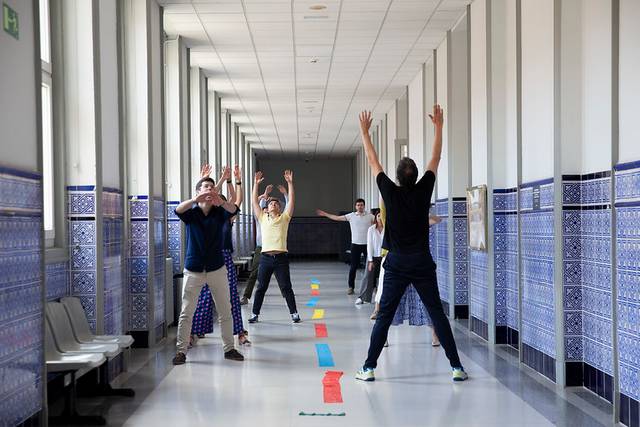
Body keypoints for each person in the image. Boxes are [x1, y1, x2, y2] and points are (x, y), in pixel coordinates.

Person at [355, 105, 468, 382]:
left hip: (396, 263)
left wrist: (365, 133)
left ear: (396, 177)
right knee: (437, 315)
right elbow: (436, 156)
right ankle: (456, 367)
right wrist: (439, 126)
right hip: (421, 262)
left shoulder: (390, 192)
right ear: (416, 176)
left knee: (384, 316)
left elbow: (372, 161)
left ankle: (369, 368)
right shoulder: (424, 189)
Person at [172, 174, 244, 365]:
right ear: (198, 191)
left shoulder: (220, 213)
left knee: (225, 311)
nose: (209, 190)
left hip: (216, 268)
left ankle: (229, 348)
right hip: (193, 269)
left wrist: (221, 202)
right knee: (187, 311)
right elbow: (177, 210)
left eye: (211, 187)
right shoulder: (192, 213)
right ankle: (181, 351)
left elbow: (234, 208)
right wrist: (195, 200)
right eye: (205, 187)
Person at [248, 170, 300, 323]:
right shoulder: (262, 217)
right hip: (265, 258)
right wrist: (256, 185)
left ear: (279, 207)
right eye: (271, 203)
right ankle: (255, 314)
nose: (273, 205)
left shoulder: (284, 218)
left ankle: (294, 313)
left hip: (281, 258)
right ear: (267, 207)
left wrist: (290, 183)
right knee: (261, 287)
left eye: (276, 204)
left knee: (286, 287)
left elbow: (291, 202)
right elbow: (254, 202)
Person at [240, 185, 288, 305]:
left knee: (280, 275)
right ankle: (246, 296)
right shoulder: (260, 218)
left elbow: (287, 206)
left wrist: (285, 194)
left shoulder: (279, 219)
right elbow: (256, 203)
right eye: (267, 206)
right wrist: (265, 194)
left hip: (276, 250)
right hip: (261, 249)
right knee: (254, 273)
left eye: (272, 205)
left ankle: (285, 294)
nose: (268, 208)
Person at [316, 200, 374, 294]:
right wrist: (326, 214)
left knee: (370, 267)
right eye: (358, 205)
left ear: (364, 206)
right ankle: (351, 287)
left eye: (362, 205)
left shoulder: (370, 216)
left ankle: (373, 287)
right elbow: (337, 218)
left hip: (367, 245)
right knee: (353, 267)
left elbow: (379, 222)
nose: (360, 207)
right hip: (355, 245)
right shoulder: (351, 216)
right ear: (355, 206)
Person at [355, 209, 383, 304]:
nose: (380, 218)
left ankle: (381, 297)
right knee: (368, 276)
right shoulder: (371, 229)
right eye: (378, 215)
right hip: (373, 257)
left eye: (382, 215)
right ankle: (362, 297)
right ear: (376, 217)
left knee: (383, 277)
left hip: (384, 257)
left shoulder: (388, 229)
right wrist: (370, 260)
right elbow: (369, 245)